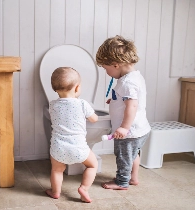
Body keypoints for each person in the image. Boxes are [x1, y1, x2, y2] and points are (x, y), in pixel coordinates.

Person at [96, 35, 151, 190]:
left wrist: (124, 128)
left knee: (124, 157)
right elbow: (130, 100)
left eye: (106, 69)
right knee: (133, 155)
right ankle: (133, 178)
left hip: (129, 131)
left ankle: (122, 182)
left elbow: (132, 106)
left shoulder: (127, 82)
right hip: (140, 129)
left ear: (116, 65)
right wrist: (114, 101)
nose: (106, 72)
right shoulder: (134, 76)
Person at [45, 67, 99, 203]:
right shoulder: (82, 104)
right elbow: (94, 119)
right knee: (92, 165)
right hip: (79, 147)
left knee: (57, 170)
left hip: (58, 148)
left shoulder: (52, 105)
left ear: (54, 89)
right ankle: (84, 189)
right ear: (77, 88)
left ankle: (55, 192)